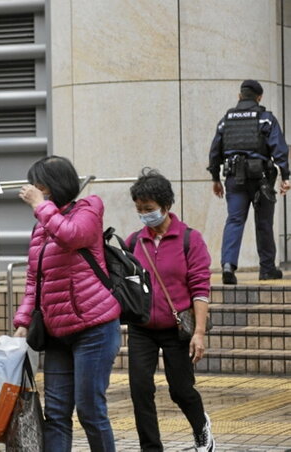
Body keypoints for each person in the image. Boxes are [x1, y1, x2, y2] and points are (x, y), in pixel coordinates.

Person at [12, 156, 121, 452]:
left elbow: (72, 236)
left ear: (53, 186)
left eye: (39, 185)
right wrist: (22, 322)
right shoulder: (41, 228)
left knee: (90, 410)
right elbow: (35, 280)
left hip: (94, 328)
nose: (34, 190)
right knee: (57, 415)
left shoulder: (89, 209)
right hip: (57, 332)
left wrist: (40, 205)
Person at [126, 168, 215, 452]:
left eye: (149, 209)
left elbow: (201, 288)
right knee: (140, 389)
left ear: (166, 206)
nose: (144, 214)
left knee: (181, 390)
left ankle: (202, 428)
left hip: (178, 329)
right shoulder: (133, 242)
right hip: (142, 329)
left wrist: (198, 333)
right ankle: (150, 448)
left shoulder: (190, 239)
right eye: (139, 209)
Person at [208, 79, 290, 284]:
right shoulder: (266, 119)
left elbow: (214, 152)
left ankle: (228, 266)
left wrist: (216, 179)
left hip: (234, 179)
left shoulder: (225, 120)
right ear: (259, 97)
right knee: (263, 223)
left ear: (239, 96)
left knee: (234, 220)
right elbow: (279, 149)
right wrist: (286, 176)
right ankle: (267, 269)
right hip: (261, 178)